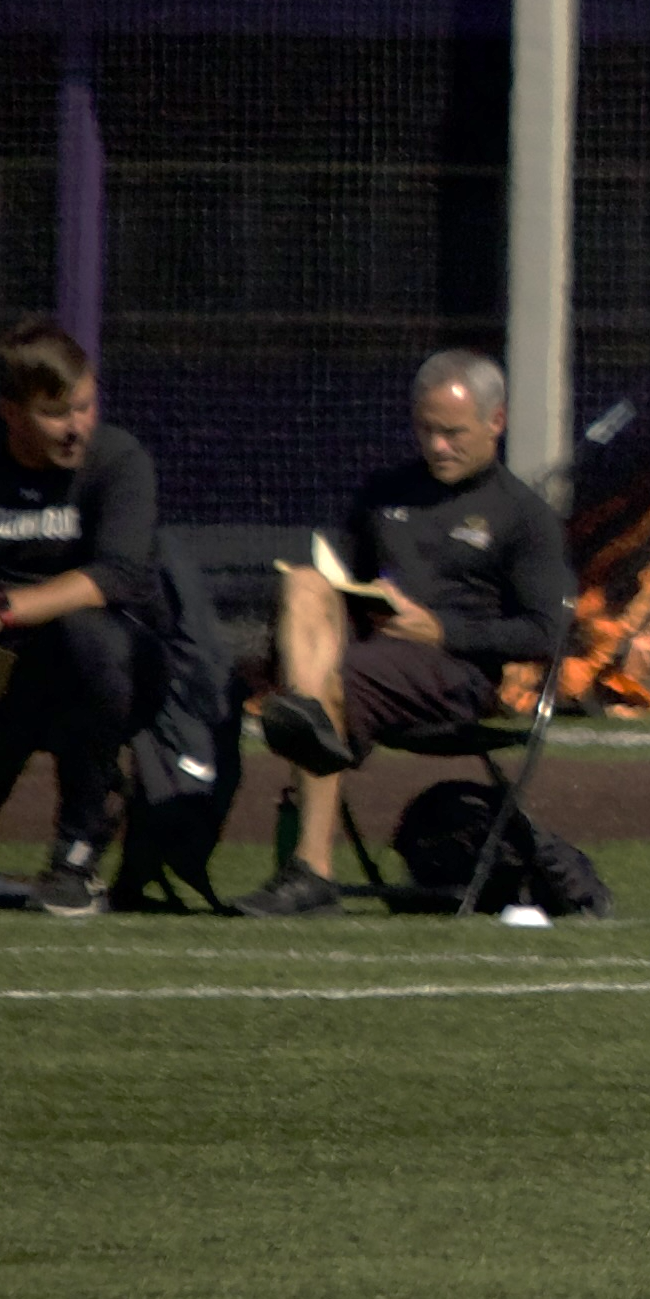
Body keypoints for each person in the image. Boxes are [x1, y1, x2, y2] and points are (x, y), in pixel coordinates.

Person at [238, 352, 575, 918]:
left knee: (331, 684)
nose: (437, 446)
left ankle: (309, 868)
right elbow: (344, 581)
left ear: (497, 422)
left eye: (453, 433)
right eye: (426, 430)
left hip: (456, 671)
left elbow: (546, 631)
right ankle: (308, 715)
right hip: (371, 655)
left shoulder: (524, 515)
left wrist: (443, 629)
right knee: (304, 583)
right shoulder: (386, 492)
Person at [0, 317, 164, 916]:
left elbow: (116, 578)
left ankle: (76, 854)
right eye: (56, 414)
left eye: (86, 407)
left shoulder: (118, 461)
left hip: (102, 671)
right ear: (10, 412)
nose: (77, 428)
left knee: (88, 635)